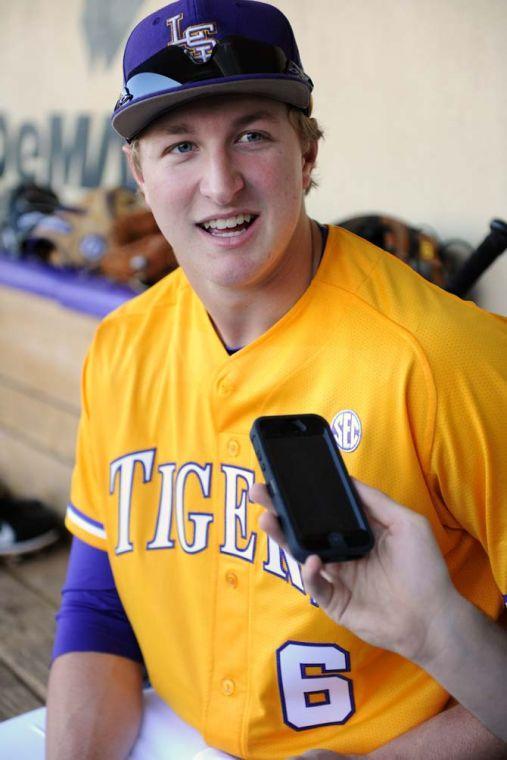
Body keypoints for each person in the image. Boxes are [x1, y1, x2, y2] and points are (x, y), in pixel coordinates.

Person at [45, 0, 507, 758]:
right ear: (138, 170)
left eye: (252, 135)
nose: (220, 184)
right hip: (181, 732)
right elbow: (99, 607)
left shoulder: (450, 358)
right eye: (179, 146)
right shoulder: (122, 345)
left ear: (308, 150)